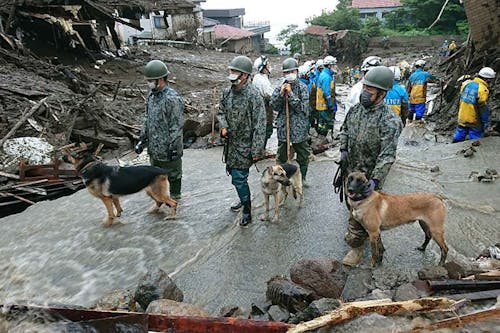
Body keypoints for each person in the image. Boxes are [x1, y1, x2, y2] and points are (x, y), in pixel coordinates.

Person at [339, 66, 403, 267]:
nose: (365, 92)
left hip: (369, 176)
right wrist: (343, 150)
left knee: (364, 213)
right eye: (364, 86)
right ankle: (370, 240)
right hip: (351, 171)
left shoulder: (390, 120)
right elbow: (345, 130)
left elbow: (387, 154)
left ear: (382, 94)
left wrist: (375, 179)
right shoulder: (355, 110)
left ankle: (357, 248)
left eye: (370, 90)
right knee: (354, 210)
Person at [217, 55, 266, 227]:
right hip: (230, 144)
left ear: (244, 75)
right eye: (231, 70)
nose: (231, 74)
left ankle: (247, 209)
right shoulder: (227, 92)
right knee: (234, 174)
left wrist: (257, 150)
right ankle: (242, 197)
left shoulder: (254, 96)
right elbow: (220, 111)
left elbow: (260, 125)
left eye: (235, 71)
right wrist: (223, 127)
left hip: (246, 145)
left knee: (239, 177)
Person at [136, 60, 184, 199]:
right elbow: (147, 119)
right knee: (156, 176)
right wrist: (142, 139)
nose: (149, 83)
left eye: (151, 80)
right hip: (154, 148)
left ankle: (175, 198)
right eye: (148, 80)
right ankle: (160, 199)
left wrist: (174, 147)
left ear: (161, 79)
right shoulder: (151, 96)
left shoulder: (172, 99)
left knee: (174, 175)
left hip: (168, 149)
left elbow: (176, 126)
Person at [270, 58, 312, 185]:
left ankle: (302, 177)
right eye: (287, 72)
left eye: (292, 71)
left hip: (299, 128)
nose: (289, 74)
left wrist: (292, 95)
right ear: (283, 74)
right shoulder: (279, 88)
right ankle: (282, 178)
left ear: (297, 71)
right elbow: (274, 106)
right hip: (284, 127)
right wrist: (281, 95)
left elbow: (302, 108)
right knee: (282, 155)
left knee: (303, 154)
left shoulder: (303, 88)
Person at [452, 67, 496, 142]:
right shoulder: (482, 90)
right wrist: (485, 121)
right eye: (490, 80)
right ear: (486, 79)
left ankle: (454, 147)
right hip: (474, 119)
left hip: (462, 116)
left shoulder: (466, 83)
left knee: (460, 134)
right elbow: (482, 108)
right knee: (475, 138)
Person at [252, 55, 274, 149]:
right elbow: (269, 95)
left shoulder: (259, 77)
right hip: (265, 107)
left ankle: (260, 148)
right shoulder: (262, 80)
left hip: (261, 106)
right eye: (267, 65)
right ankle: (261, 149)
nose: (269, 66)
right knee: (266, 128)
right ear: (263, 68)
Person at [316, 55, 337, 136]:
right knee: (329, 121)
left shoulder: (325, 74)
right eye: (334, 65)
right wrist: (330, 104)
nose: (335, 67)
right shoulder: (326, 77)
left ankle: (320, 136)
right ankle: (327, 136)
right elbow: (326, 93)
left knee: (322, 122)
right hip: (324, 105)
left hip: (320, 105)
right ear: (329, 66)